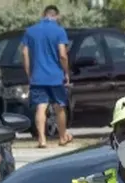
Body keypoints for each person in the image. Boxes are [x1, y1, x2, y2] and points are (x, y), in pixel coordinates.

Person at [21, 5, 71, 149]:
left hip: (38, 76)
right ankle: (62, 138)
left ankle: (42, 140)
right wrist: (66, 72)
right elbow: (62, 54)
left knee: (40, 107)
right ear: (57, 16)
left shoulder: (30, 31)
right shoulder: (59, 31)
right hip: (55, 76)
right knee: (59, 107)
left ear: (43, 14)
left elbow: (24, 53)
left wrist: (29, 73)